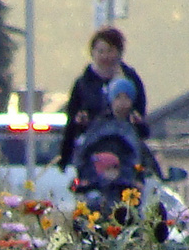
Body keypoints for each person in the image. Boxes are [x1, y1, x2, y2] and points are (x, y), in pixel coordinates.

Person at [58, 27, 147, 168]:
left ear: (119, 52)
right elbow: (71, 125)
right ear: (92, 53)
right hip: (91, 151)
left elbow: (141, 118)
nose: (105, 56)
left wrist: (136, 121)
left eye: (110, 51)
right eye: (101, 51)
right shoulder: (83, 83)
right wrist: (64, 158)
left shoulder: (131, 80)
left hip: (125, 149)